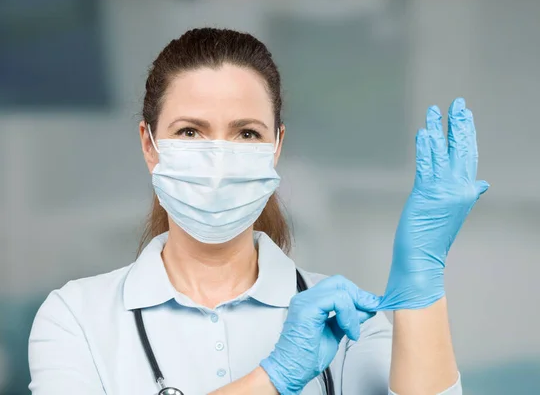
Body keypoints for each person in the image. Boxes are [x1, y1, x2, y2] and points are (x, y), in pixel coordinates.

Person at [28, 28, 488, 395]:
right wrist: (274, 377)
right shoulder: (76, 318)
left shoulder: (344, 323)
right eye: (190, 132)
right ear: (150, 145)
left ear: (276, 147)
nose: (219, 157)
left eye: (246, 133)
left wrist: (422, 282)